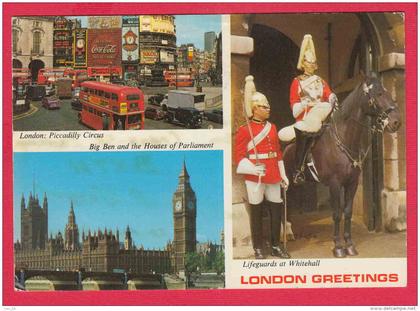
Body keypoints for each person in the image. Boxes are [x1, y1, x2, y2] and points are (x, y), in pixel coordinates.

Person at [235, 75, 290, 259]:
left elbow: (278, 152)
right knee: (256, 212)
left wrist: (283, 174)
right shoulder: (244, 130)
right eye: (264, 107)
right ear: (255, 109)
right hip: (255, 176)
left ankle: (275, 245)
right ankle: (258, 247)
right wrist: (252, 169)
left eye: (268, 106)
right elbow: (239, 157)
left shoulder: (272, 127)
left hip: (273, 173)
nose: (268, 109)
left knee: (276, 210)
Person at [278, 34, 338, 185]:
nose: (311, 65)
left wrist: (332, 97)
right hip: (304, 117)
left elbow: (328, 93)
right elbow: (293, 103)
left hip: (322, 115)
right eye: (308, 62)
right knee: (303, 135)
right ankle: (299, 170)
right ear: (303, 63)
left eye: (313, 62)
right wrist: (304, 104)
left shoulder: (321, 81)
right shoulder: (297, 82)